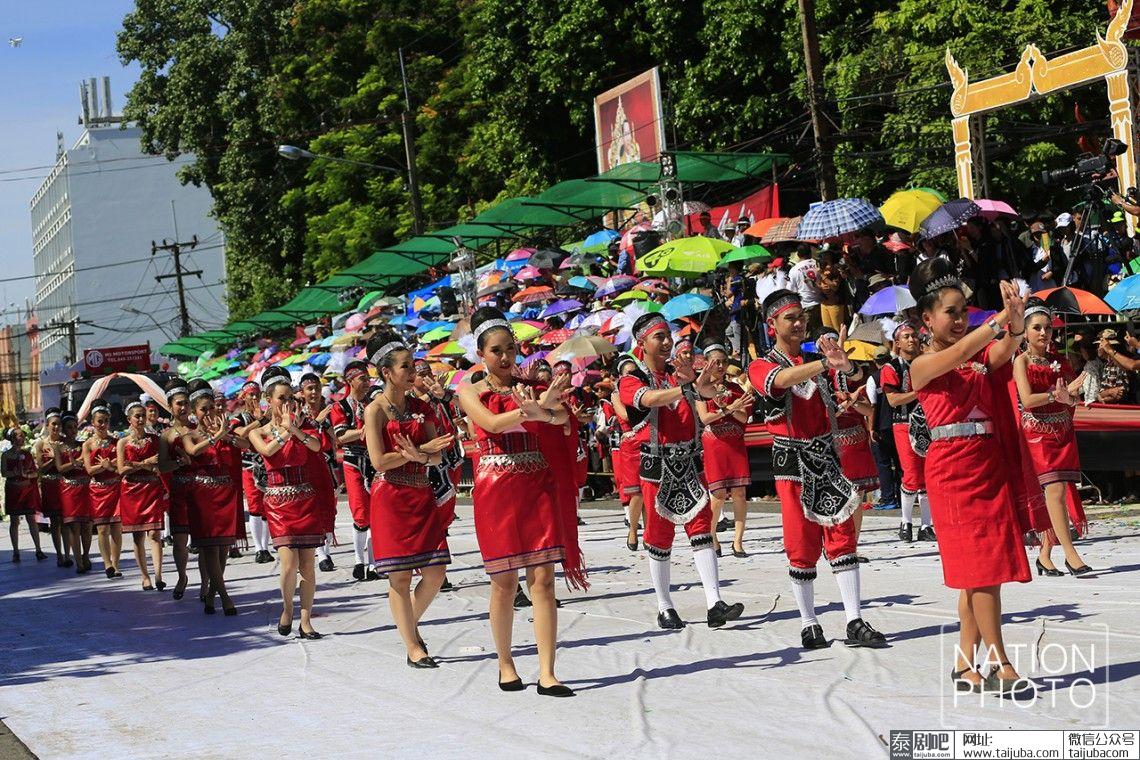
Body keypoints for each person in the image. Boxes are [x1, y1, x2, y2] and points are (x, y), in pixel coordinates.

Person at [908, 258, 1039, 695]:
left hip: (988, 462)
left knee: (984, 572)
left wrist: (1016, 325)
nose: (961, 318)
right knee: (980, 570)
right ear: (927, 319)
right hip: (952, 470)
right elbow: (965, 352)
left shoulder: (975, 353)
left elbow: (999, 354)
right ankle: (1001, 663)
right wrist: (998, 321)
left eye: (965, 310)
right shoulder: (923, 366)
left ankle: (966, 666)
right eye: (951, 311)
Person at [748, 290, 887, 650]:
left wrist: (846, 364)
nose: (798, 323)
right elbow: (778, 382)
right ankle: (809, 622)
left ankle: (854, 619)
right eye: (790, 317)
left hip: (827, 459)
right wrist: (826, 364)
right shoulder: (762, 364)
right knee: (801, 540)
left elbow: (854, 383)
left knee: (842, 535)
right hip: (793, 464)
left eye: (801, 316)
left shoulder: (816, 359)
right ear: (771, 325)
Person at [457, 306, 581, 697]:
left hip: (536, 483)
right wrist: (532, 410)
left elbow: (563, 418)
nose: (506, 356)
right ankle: (505, 662)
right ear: (481, 354)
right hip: (496, 489)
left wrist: (545, 408)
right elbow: (491, 425)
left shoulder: (529, 385)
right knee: (504, 582)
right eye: (497, 350)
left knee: (543, 579)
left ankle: (548, 672)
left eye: (511, 348)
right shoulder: (468, 390)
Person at [619, 313, 744, 630]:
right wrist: (687, 387)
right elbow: (649, 400)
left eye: (667, 336)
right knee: (659, 537)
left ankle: (715, 603)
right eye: (658, 336)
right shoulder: (633, 380)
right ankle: (664, 607)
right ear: (641, 344)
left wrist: (701, 383)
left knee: (702, 529)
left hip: (690, 463)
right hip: (658, 468)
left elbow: (705, 395)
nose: (666, 342)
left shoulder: (681, 375)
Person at [364, 333, 455, 667]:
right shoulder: (374, 411)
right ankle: (412, 646)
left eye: (412, 364)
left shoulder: (421, 407)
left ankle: (408, 627)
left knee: (436, 573)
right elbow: (378, 461)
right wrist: (416, 454)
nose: (412, 370)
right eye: (406, 366)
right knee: (400, 577)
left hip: (421, 493)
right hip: (390, 496)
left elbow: (438, 455)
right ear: (387, 372)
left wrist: (422, 455)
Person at [1012, 300, 1092, 576]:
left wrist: (1070, 394)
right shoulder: (1021, 361)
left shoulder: (1060, 361)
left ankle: (1045, 556)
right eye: (1036, 328)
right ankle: (1071, 555)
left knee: (1057, 493)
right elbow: (1027, 399)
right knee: (1055, 491)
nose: (1043, 333)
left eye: (1047, 328)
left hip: (1062, 431)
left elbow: (1070, 401)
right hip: (1037, 435)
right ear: (1024, 332)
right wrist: (1054, 395)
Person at [247, 367, 327, 640]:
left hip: (304, 497)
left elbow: (317, 447)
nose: (287, 403)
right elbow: (268, 451)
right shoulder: (258, 431)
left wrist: (295, 428)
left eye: (290, 397)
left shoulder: (303, 426)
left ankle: (306, 620)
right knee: (289, 563)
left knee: (308, 565)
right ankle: (287, 608)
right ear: (268, 400)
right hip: (278, 501)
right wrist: (285, 431)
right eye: (281, 398)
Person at [180, 379, 242, 615]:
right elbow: (193, 451)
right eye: (203, 409)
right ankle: (224, 596)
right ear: (195, 412)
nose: (208, 412)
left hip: (226, 494)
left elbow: (245, 443)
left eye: (211, 407)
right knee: (210, 549)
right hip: (203, 496)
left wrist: (227, 436)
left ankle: (212, 594)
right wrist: (216, 436)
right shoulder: (191, 433)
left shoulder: (226, 429)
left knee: (223, 548)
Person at [694, 341, 753, 557]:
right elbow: (705, 417)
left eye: (724, 362)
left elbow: (744, 417)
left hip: (735, 442)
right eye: (716, 362)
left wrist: (730, 408)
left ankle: (738, 542)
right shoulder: (701, 390)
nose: (720, 366)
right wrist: (726, 408)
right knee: (717, 494)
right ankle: (712, 537)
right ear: (707, 363)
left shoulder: (736, 389)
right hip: (714, 443)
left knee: (739, 492)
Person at [879, 323, 934, 542]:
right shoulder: (891, 368)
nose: (912, 340)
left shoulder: (926, 362)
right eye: (906, 337)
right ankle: (906, 521)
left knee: (927, 474)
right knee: (911, 473)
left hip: (928, 423)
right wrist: (919, 392)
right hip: (904, 423)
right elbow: (893, 400)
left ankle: (926, 525)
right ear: (898, 342)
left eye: (914, 336)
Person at [330, 359, 379, 581]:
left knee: (377, 513)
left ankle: (374, 563)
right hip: (353, 462)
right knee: (360, 513)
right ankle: (360, 560)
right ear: (350, 381)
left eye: (368, 378)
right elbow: (341, 436)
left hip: (375, 460)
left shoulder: (375, 402)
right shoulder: (340, 406)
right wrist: (367, 428)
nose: (368, 381)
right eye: (363, 378)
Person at [117, 400, 168, 590]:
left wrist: (139, 465)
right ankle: (144, 576)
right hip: (131, 491)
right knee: (138, 536)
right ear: (129, 419)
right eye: (136, 416)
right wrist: (145, 463)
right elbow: (122, 469)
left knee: (154, 533)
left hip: (151, 489)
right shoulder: (123, 442)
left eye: (142, 415)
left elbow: (159, 465)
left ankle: (158, 575)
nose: (140, 419)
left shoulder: (155, 440)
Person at [298, 372, 338, 572]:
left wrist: (326, 423)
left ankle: (326, 550)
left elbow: (337, 438)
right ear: (302, 392)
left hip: (326, 464)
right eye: (309, 389)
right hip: (306, 466)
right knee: (311, 509)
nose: (314, 392)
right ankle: (321, 554)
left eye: (317, 388)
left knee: (328, 507)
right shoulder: (298, 414)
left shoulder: (330, 410)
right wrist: (316, 422)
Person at [158, 380, 194, 599]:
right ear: (170, 406)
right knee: (180, 540)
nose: (183, 407)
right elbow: (162, 465)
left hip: (201, 489)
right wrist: (181, 463)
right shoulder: (166, 436)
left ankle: (208, 584)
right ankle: (182, 576)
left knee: (204, 541)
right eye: (179, 403)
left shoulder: (199, 429)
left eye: (186, 403)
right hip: (179, 491)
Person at [230, 381, 273, 565]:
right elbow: (241, 434)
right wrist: (261, 421)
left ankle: (266, 546)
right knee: (255, 506)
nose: (254, 398)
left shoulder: (269, 416)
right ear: (243, 397)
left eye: (256, 394)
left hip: (267, 462)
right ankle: (259, 548)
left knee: (268, 505)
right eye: (250, 394)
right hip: (249, 465)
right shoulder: (239, 418)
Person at [83, 402, 123, 578]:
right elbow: (89, 470)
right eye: (100, 420)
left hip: (115, 487)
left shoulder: (117, 442)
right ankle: (107, 563)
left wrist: (110, 466)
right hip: (98, 490)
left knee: (116, 527)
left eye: (106, 420)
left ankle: (116, 563)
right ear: (93, 422)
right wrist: (105, 465)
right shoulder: (88, 444)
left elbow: (120, 466)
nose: (103, 424)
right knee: (102, 529)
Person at [612, 356, 645, 552]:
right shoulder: (617, 395)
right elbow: (624, 415)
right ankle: (633, 529)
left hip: (645, 439)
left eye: (634, 372)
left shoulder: (644, 389)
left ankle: (649, 532)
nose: (631, 375)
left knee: (649, 490)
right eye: (627, 373)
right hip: (630, 442)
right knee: (637, 493)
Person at [54, 413, 93, 574]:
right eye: (69, 427)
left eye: (75, 427)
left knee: (87, 525)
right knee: (74, 526)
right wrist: (72, 464)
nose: (73, 430)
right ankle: (78, 562)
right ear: (63, 429)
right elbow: (59, 468)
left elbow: (88, 464)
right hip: (68, 489)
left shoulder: (83, 445)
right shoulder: (58, 447)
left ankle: (85, 555)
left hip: (84, 488)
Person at [33, 409, 70, 566]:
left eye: (59, 424)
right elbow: (40, 468)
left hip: (65, 484)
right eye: (53, 424)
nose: (56, 427)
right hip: (50, 484)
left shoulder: (65, 443)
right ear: (47, 426)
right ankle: (59, 555)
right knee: (55, 522)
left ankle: (68, 554)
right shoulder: (41, 444)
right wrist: (54, 459)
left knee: (66, 521)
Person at [3, 427, 45, 562]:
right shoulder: (6, 455)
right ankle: (16, 551)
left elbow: (34, 472)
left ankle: (38, 549)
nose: (22, 438)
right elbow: (4, 473)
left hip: (26, 490)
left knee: (31, 519)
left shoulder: (26, 454)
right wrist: (15, 473)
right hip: (13, 490)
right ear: (13, 438)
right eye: (19, 436)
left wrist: (26, 474)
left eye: (23, 435)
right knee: (14, 521)